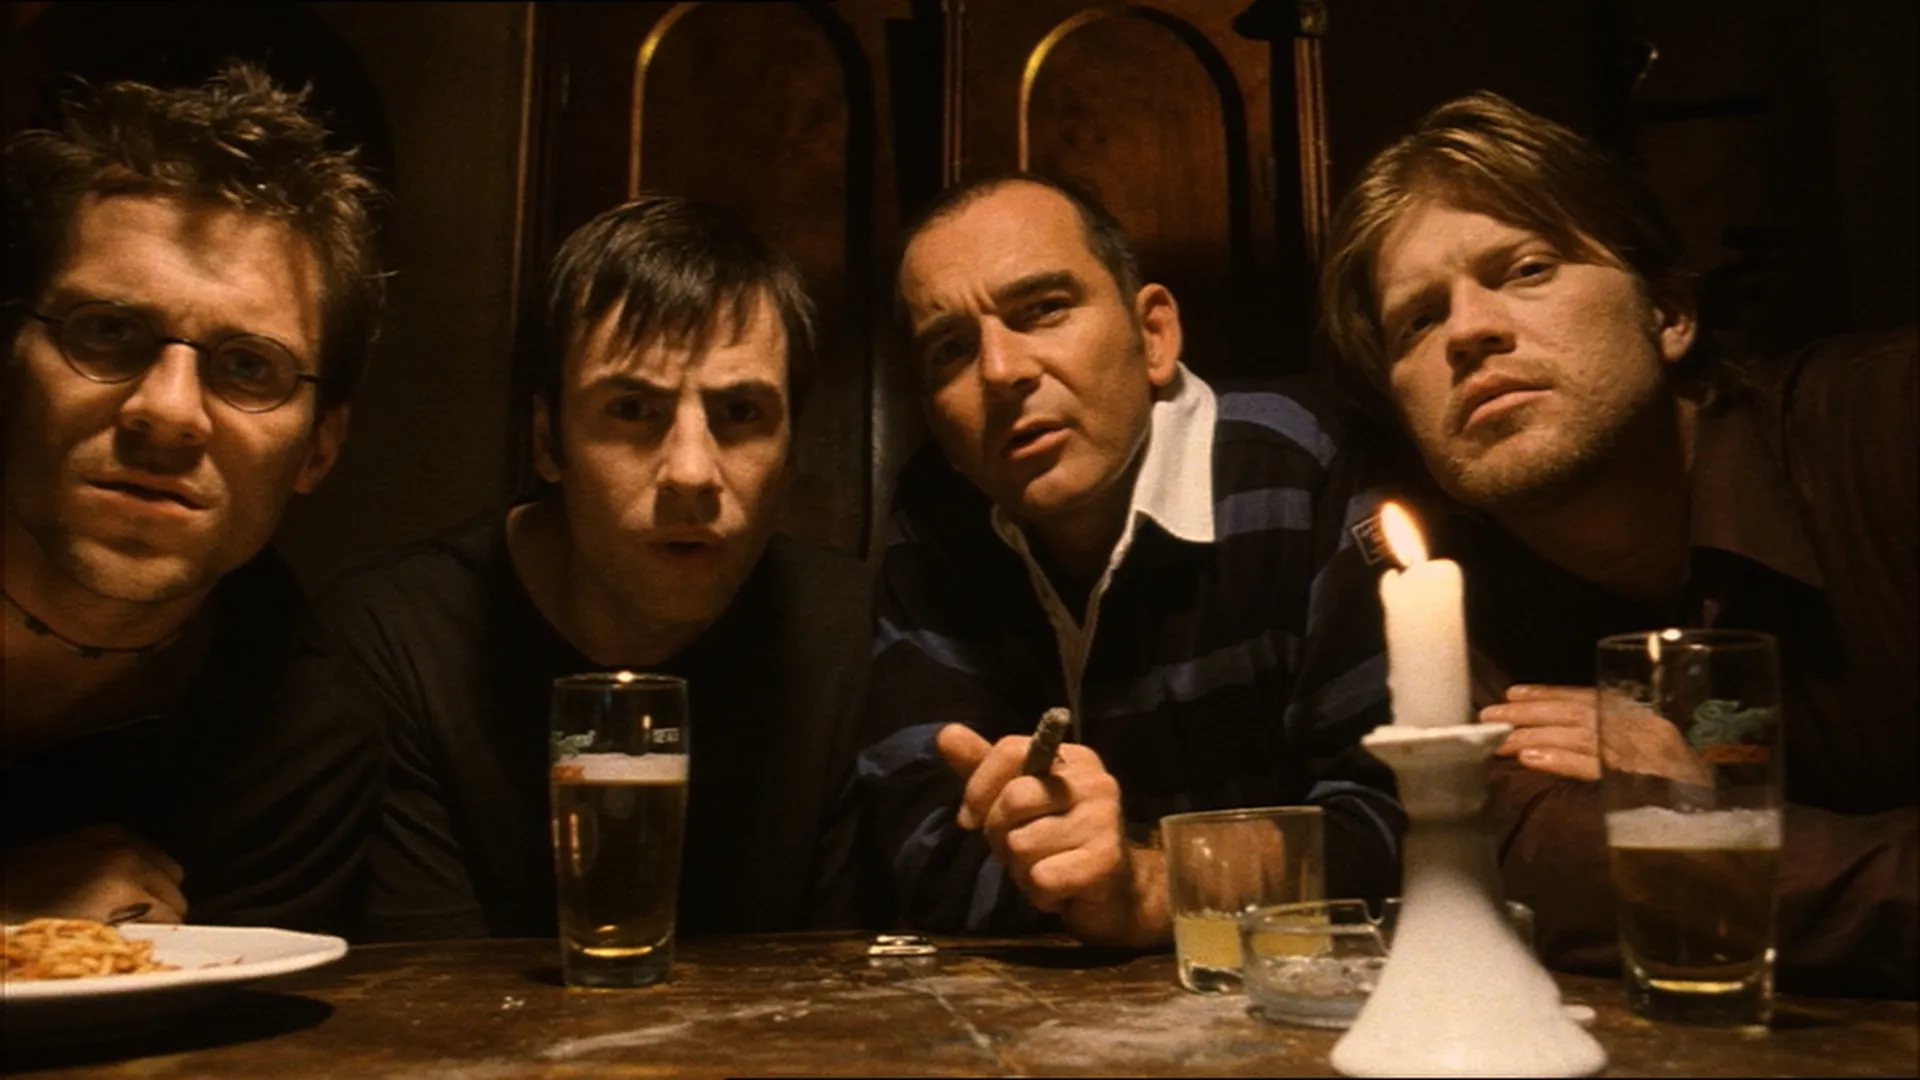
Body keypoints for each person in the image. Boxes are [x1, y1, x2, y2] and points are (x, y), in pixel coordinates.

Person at [1318, 91, 1915, 996]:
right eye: (1418, 320)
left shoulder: (1889, 430)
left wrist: (1703, 823)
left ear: (1670, 314)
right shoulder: (1453, 605)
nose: (1470, 331)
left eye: (1523, 269)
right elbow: (1547, 880)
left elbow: (1630, 877)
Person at [856, 174, 1403, 945]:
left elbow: (1396, 831)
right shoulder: (939, 516)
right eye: (950, 348)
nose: (1001, 371)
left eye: (1043, 310)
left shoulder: (1301, 467)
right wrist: (1083, 882)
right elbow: (930, 854)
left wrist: (1144, 884)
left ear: (1153, 335)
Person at [314, 196, 875, 941]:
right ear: (548, 443)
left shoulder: (853, 633)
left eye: (740, 415)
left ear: (792, 453)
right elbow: (422, 1001)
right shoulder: (395, 643)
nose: (690, 471)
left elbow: (855, 988)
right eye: (632, 411)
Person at [0, 63, 386, 933]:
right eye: (108, 332)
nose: (167, 413)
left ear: (317, 448)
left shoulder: (304, 740)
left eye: (250, 367)